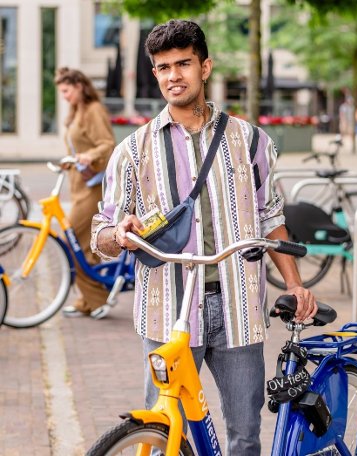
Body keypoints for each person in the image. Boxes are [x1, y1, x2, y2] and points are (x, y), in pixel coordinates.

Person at [91, 20, 317, 455]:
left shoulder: (250, 140)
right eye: (163, 68)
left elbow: (271, 216)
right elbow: (100, 232)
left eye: (183, 63)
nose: (174, 75)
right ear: (154, 75)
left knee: (244, 435)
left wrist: (293, 283)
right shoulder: (133, 151)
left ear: (205, 67)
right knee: (164, 433)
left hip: (238, 307)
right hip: (166, 314)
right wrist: (119, 235)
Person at [54, 67, 115, 318]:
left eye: (67, 91)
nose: (65, 96)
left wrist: (90, 155)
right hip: (80, 186)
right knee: (87, 247)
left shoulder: (93, 110)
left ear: (79, 86)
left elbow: (107, 143)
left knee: (71, 242)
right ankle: (87, 301)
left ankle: (97, 298)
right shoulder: (76, 111)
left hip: (93, 189)